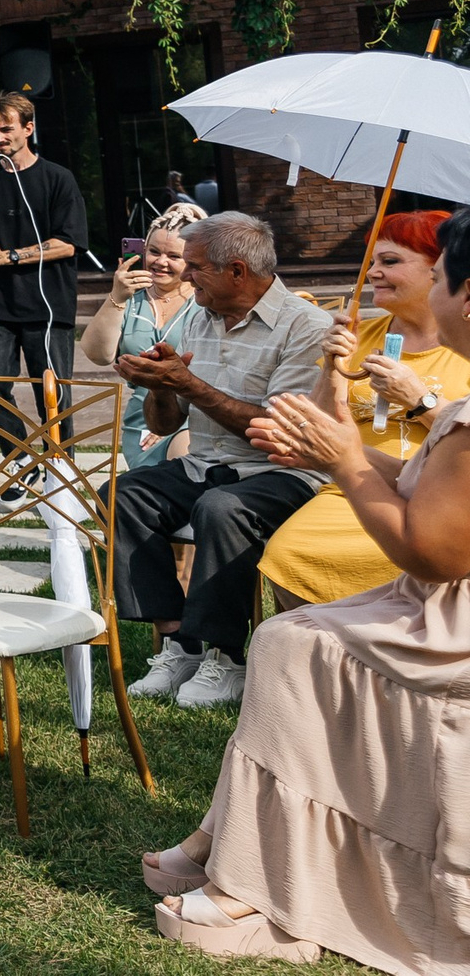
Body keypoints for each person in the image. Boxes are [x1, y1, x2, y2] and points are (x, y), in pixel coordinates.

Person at [138, 206, 470, 969]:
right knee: (288, 637)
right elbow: (421, 475)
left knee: (287, 644)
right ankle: (228, 845)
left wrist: (347, 458)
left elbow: (433, 553)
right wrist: (337, 447)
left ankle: (251, 882)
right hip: (433, 601)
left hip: (448, 625)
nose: (385, 275)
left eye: (434, 270)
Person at [111, 211, 333, 710]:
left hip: (282, 472)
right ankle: (181, 642)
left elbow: (277, 433)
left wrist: (188, 384)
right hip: (204, 465)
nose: (186, 276)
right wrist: (158, 385)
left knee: (221, 507)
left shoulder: (305, 327)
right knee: (127, 494)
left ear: (237, 271)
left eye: (196, 266)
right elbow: (167, 425)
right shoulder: (201, 319)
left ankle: (228, 657)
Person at [259, 207, 470, 608]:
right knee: (288, 553)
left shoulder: (462, 344)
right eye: (372, 261)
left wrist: (418, 399)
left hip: (435, 493)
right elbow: (323, 425)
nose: (373, 272)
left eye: (390, 262)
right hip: (355, 483)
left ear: (436, 269)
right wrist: (334, 368)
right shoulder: (360, 334)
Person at [0, 94, 89, 461]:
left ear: (28, 128)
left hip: (47, 304)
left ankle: (62, 473)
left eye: (5, 129)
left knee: (53, 398)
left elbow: (70, 244)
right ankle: (21, 458)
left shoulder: (57, 178)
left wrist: (13, 256)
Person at [77, 202, 203, 469]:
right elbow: (98, 355)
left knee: (183, 468)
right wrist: (117, 297)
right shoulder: (132, 298)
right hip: (142, 417)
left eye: (174, 256)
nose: (161, 262)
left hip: (195, 412)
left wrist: (169, 420)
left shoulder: (205, 302)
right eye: (154, 252)